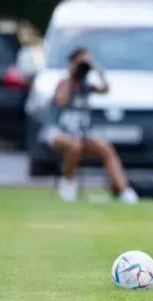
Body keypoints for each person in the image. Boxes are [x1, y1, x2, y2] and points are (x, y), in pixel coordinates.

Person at [41, 48, 138, 204]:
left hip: (81, 133)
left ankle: (123, 189)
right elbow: (61, 101)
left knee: (105, 148)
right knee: (74, 146)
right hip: (58, 132)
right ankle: (67, 182)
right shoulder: (64, 84)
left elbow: (106, 89)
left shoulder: (86, 86)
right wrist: (72, 75)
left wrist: (98, 70)